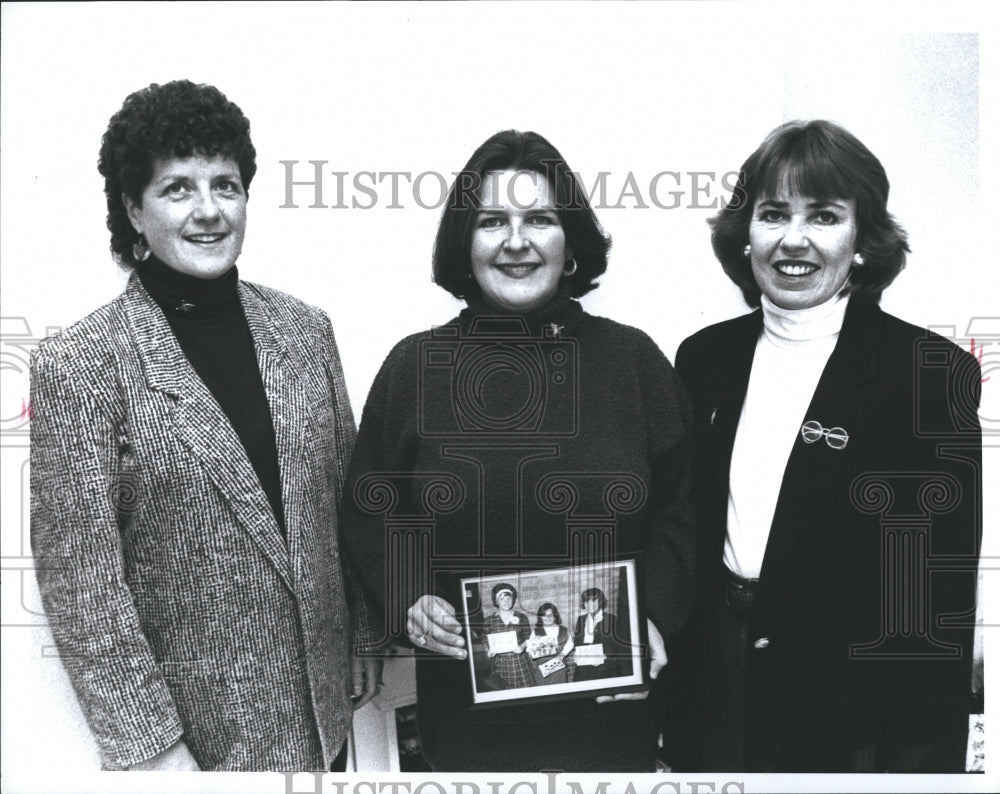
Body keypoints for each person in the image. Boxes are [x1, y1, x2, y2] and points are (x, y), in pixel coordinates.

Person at [29, 80, 381, 772]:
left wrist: (363, 636)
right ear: (133, 210)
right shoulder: (81, 364)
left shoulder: (305, 332)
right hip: (199, 747)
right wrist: (158, 752)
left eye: (226, 185)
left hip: (324, 720)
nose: (209, 210)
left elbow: (347, 502)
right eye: (177, 189)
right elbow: (81, 585)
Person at [341, 129, 695, 771]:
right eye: (492, 221)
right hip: (468, 715)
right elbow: (373, 505)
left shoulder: (633, 362)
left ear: (571, 241)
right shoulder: (415, 367)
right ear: (464, 242)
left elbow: (682, 506)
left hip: (610, 705)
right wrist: (410, 596)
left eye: (539, 218)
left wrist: (658, 617)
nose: (516, 241)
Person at [669, 119, 982, 772]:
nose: (793, 239)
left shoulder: (926, 375)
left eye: (824, 216)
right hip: (714, 695)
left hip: (844, 721)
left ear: (862, 241)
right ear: (745, 234)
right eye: (774, 213)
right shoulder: (703, 360)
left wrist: (919, 772)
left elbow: (931, 612)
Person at [479, 583, 534, 690]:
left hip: (520, 662)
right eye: (502, 599)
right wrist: (488, 650)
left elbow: (529, 638)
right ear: (496, 601)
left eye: (509, 598)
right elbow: (484, 639)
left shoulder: (521, 617)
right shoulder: (489, 621)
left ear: (513, 599)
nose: (506, 602)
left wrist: (522, 647)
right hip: (500, 664)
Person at [572, 587, 627, 681]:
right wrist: (577, 653)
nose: (590, 604)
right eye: (586, 601)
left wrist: (602, 657)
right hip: (584, 667)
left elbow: (615, 644)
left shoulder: (611, 619)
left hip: (604, 666)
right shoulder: (581, 619)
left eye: (594, 600)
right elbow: (577, 642)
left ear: (600, 601)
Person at [528, 602, 574, 686]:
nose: (548, 618)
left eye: (551, 615)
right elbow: (530, 652)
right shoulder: (536, 632)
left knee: (560, 691)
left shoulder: (564, 630)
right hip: (542, 668)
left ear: (555, 616)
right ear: (540, 617)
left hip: (558, 666)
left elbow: (570, 644)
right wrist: (535, 643)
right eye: (544, 615)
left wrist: (563, 654)